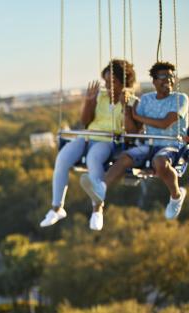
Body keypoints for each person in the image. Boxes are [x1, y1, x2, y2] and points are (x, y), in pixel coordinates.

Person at [80, 61, 188, 220]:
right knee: (124, 157)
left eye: (172, 77)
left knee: (160, 162)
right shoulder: (146, 99)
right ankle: (101, 188)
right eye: (163, 76)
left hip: (171, 144)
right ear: (154, 81)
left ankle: (176, 196)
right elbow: (134, 131)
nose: (169, 80)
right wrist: (127, 109)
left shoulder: (180, 98)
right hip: (149, 144)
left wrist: (138, 116)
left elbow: (166, 123)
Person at [40, 59, 137, 231]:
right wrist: (89, 102)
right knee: (62, 159)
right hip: (87, 136)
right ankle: (57, 208)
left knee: (93, 159)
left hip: (107, 141)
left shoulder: (132, 101)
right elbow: (85, 121)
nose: (108, 86)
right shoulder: (101, 97)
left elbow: (132, 132)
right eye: (106, 81)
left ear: (124, 82)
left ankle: (97, 209)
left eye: (112, 82)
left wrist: (125, 108)